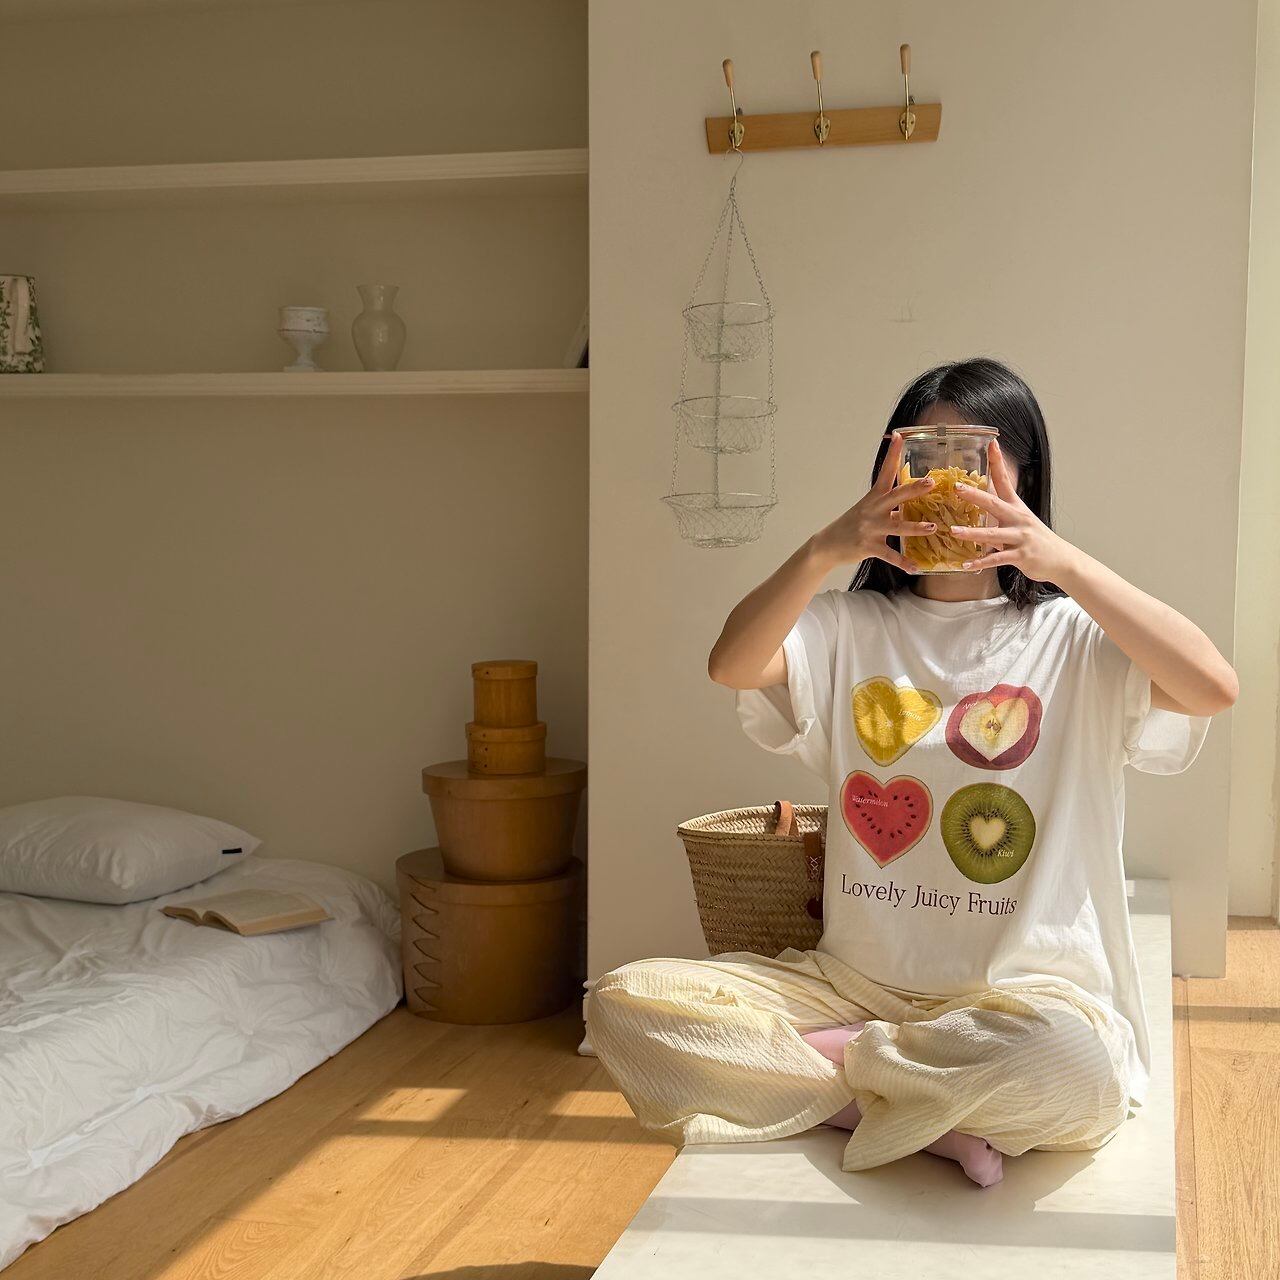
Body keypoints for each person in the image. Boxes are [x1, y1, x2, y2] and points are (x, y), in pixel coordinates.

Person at [586, 358, 1237, 1187]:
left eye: (972, 460)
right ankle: (912, 1107)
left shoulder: (1074, 637)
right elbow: (731, 665)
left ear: (1023, 478)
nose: (944, 488)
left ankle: (850, 1075)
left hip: (1024, 999)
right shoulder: (847, 626)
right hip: (855, 988)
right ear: (889, 475)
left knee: (1073, 1068)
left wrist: (1063, 562)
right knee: (623, 1003)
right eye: (924, 460)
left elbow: (1212, 687)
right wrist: (825, 548)